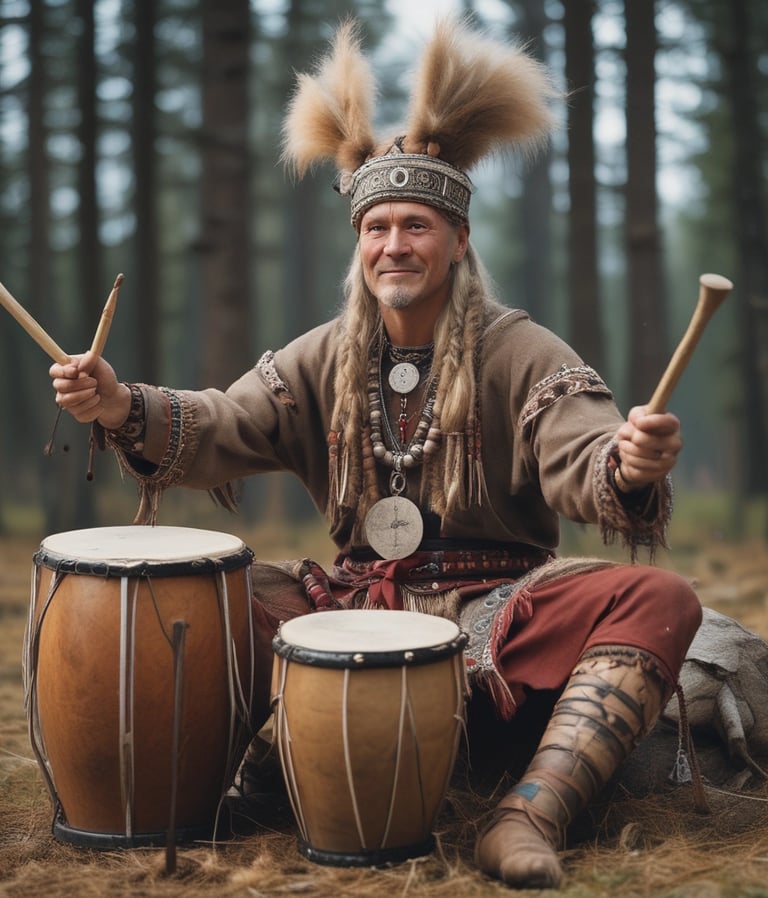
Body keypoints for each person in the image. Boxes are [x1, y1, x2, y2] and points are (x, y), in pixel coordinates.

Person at [49, 19, 702, 891]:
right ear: (360, 244)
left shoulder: (523, 352)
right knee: (203, 594)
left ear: (458, 241)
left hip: (498, 612)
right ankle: (209, 798)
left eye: (418, 225)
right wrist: (121, 404)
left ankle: (528, 815)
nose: (395, 244)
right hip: (349, 606)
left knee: (657, 596)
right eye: (378, 227)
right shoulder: (319, 356)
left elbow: (585, 454)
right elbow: (217, 426)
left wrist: (631, 463)